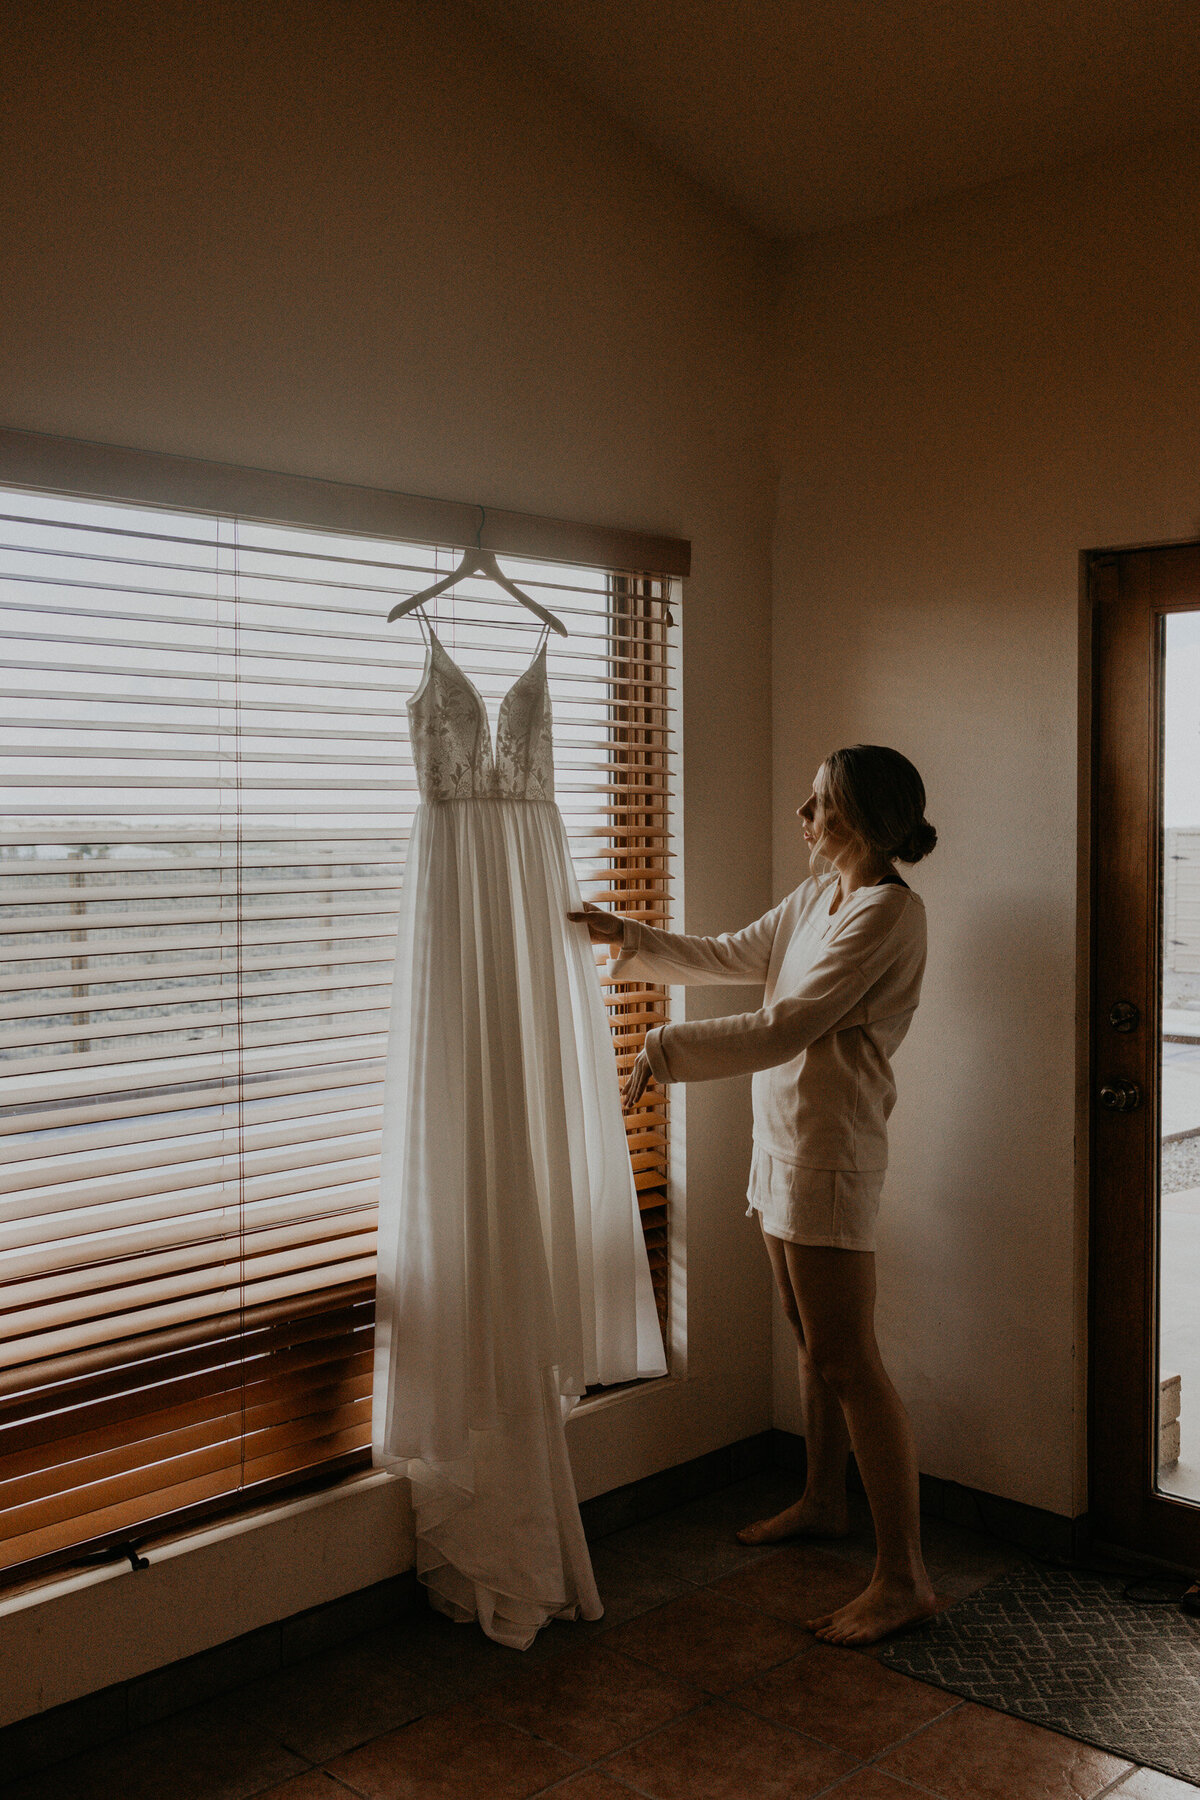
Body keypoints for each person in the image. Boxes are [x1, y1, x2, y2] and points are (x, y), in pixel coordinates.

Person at [569, 744, 938, 1646]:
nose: (803, 818)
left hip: (831, 1154)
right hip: (782, 1144)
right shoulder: (818, 896)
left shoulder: (890, 914)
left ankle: (905, 1580)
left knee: (850, 1358)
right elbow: (732, 954)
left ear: (862, 817)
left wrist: (664, 1050)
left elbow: (788, 1024)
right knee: (810, 1341)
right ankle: (822, 1499)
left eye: (818, 804)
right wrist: (631, 938)